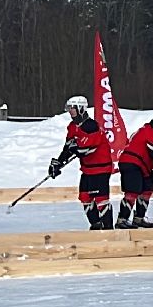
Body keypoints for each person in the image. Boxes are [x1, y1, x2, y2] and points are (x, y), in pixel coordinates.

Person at [50, 96, 118, 230]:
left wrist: (75, 148)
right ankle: (96, 225)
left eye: (72, 109)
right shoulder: (72, 126)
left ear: (80, 109)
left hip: (100, 168)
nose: (70, 111)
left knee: (101, 200)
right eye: (69, 109)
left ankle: (108, 229)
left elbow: (85, 150)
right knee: (85, 197)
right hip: (87, 169)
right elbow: (69, 147)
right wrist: (58, 162)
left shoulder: (91, 126)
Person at [116, 113, 153, 228]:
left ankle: (139, 218)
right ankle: (122, 220)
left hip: (139, 164)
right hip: (133, 162)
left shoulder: (146, 129)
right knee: (132, 191)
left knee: (147, 189)